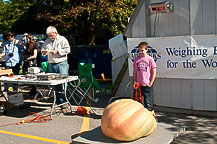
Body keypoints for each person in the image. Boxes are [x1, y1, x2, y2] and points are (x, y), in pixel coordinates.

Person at [41, 26, 71, 110]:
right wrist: (43, 52)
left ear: (55, 33)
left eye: (51, 35)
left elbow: (68, 50)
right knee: (55, 83)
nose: (50, 37)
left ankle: (65, 102)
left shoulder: (62, 39)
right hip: (51, 63)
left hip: (61, 63)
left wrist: (58, 51)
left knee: (63, 83)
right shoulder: (46, 41)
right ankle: (58, 101)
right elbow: (43, 50)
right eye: (48, 36)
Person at [133, 41, 157, 111]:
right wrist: (134, 81)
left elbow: (154, 71)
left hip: (146, 83)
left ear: (147, 49)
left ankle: (149, 114)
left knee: (147, 101)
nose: (141, 52)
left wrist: (151, 82)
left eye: (142, 50)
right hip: (138, 84)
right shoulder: (136, 59)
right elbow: (134, 71)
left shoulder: (150, 59)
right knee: (137, 101)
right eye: (139, 51)